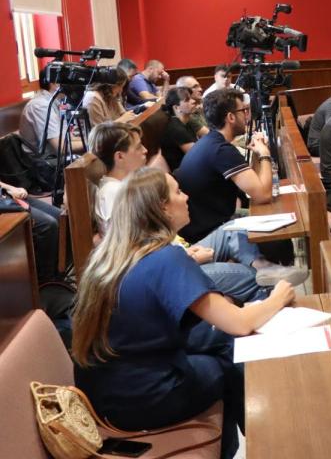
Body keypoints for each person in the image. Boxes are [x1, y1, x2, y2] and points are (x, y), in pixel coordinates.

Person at [72, 167, 296, 459]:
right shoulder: (165, 257)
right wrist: (278, 296)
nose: (186, 196)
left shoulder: (110, 255)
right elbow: (239, 323)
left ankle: (257, 440)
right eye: (178, 191)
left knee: (218, 341)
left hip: (103, 391)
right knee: (227, 358)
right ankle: (268, 442)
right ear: (162, 207)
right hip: (137, 399)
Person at [91, 122, 274, 301]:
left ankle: (264, 267)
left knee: (234, 229)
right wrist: (189, 258)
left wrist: (185, 251)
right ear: (120, 157)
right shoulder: (116, 194)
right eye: (138, 147)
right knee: (250, 277)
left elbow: (153, 236)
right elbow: (140, 254)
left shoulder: (124, 186)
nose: (145, 150)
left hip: (177, 253)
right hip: (170, 271)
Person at [173, 88, 309, 285]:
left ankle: (278, 272)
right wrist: (264, 153)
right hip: (206, 232)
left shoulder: (212, 142)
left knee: (276, 220)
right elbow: (262, 194)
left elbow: (254, 181)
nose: (248, 115)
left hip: (209, 221)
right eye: (243, 110)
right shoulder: (220, 150)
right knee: (275, 232)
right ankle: (273, 276)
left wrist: (258, 154)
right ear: (230, 117)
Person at [0, 180, 62, 284]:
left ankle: (59, 273)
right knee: (48, 225)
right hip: (3, 205)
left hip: (5, 195)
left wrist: (11, 188)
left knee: (60, 216)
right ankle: (45, 281)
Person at [19, 72, 86, 159]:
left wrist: (92, 140)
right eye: (69, 80)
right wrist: (92, 144)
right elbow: (61, 148)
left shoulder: (56, 102)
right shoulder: (41, 106)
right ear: (54, 83)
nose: (72, 85)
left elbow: (68, 137)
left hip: (52, 157)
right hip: (38, 164)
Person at [161, 87, 200, 172]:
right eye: (187, 100)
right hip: (185, 174)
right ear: (176, 107)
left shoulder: (186, 121)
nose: (193, 101)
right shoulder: (175, 128)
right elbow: (199, 157)